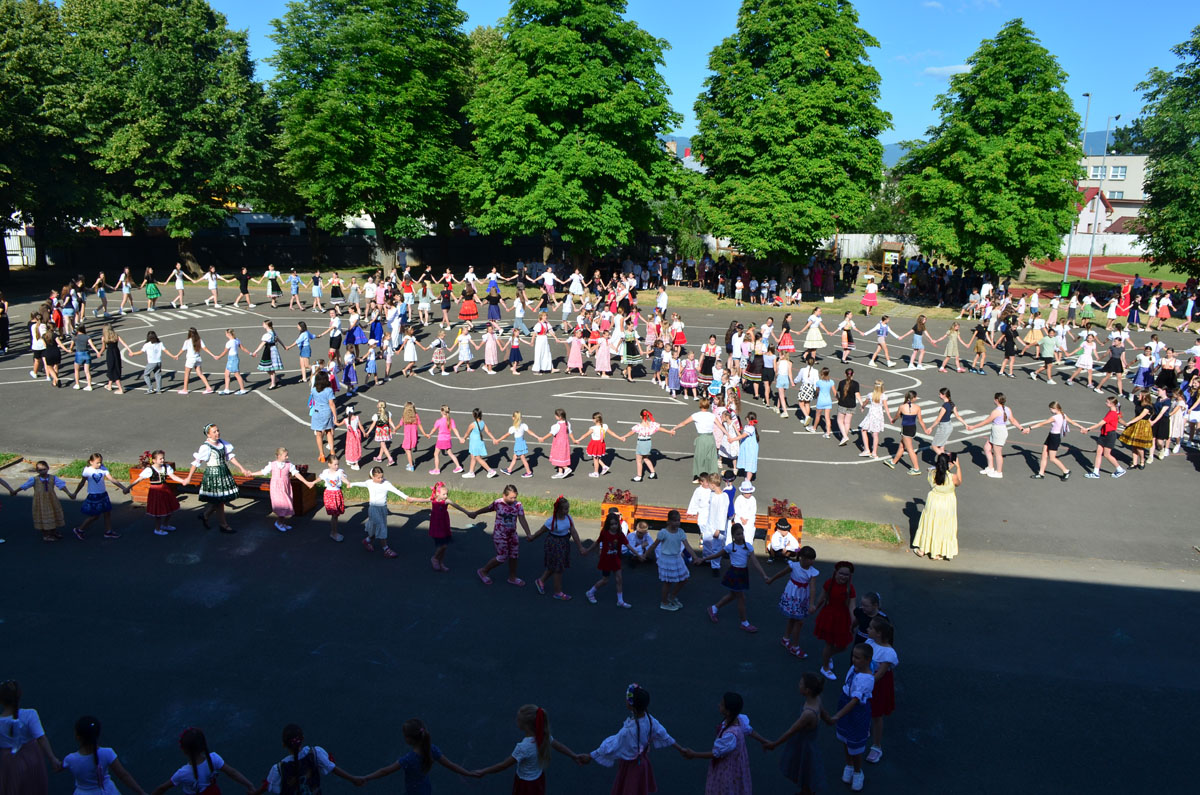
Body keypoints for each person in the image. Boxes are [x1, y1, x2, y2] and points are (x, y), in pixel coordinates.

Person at [583, 685, 686, 794]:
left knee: (629, 789)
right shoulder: (649, 720)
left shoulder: (628, 731)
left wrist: (590, 756)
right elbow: (663, 734)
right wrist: (681, 749)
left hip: (631, 767)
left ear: (631, 705)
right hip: (642, 763)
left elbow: (611, 746)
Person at [471, 704, 585, 791]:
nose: (515, 721)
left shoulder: (523, 747)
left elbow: (503, 765)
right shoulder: (544, 736)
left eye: (517, 719)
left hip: (525, 784)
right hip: (538, 779)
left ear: (524, 725)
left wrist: (483, 771)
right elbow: (559, 746)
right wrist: (573, 755)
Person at [358, 718, 479, 791]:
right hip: (425, 789)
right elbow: (451, 765)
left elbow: (385, 771)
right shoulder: (432, 749)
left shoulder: (408, 759)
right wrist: (468, 773)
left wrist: (366, 777)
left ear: (408, 739)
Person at [681, 692, 766, 793]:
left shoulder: (730, 735)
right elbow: (750, 731)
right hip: (736, 765)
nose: (719, 705)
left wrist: (694, 754)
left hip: (728, 769)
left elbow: (716, 753)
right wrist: (765, 741)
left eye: (722, 704)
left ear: (728, 712)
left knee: (725, 788)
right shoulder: (738, 719)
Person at [760, 673, 828, 795]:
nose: (798, 685)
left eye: (801, 684)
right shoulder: (817, 699)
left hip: (804, 745)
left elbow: (791, 731)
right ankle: (805, 791)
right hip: (809, 743)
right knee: (806, 770)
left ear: (807, 690)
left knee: (803, 769)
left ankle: (806, 792)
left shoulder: (807, 714)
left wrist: (774, 744)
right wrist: (833, 720)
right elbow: (826, 716)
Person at [181, 423, 252, 534]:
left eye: (218, 430)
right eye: (214, 432)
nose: (217, 433)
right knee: (219, 501)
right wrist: (189, 477)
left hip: (223, 472)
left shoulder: (222, 443)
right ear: (208, 434)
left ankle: (205, 515)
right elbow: (196, 462)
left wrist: (241, 468)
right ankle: (223, 525)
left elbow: (230, 457)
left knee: (220, 500)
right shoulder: (205, 447)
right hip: (213, 475)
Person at [252, 723, 360, 794]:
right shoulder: (315, 753)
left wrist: (254, 793)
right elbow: (332, 768)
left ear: (284, 745)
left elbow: (266, 786)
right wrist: (353, 779)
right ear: (302, 739)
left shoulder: (278, 769)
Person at [700, 523, 769, 633]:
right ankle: (744, 623)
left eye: (741, 533)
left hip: (742, 573)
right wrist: (703, 559)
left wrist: (764, 575)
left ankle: (713, 608)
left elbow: (755, 562)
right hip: (734, 573)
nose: (740, 536)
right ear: (733, 536)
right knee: (741, 598)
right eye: (737, 534)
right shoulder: (730, 547)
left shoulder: (748, 547)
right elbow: (717, 555)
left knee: (733, 595)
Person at [147, 727, 254, 795]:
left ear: (184, 750)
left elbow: (162, 788)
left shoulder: (183, 773)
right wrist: (249, 785)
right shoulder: (214, 758)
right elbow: (232, 773)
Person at [0, 680, 61, 795]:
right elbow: (41, 738)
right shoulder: (30, 714)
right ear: (19, 695)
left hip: (8, 762)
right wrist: (52, 758)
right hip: (32, 757)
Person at [828, 645, 875, 792]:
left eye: (857, 658)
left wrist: (838, 715)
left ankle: (857, 771)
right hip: (845, 703)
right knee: (845, 738)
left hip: (856, 711)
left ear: (867, 660)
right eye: (853, 656)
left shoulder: (867, 679)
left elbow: (855, 701)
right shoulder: (855, 669)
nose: (854, 660)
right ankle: (849, 765)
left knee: (855, 744)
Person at [62, 715, 147, 795]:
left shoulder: (70, 759)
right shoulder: (107, 753)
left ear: (77, 736)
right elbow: (123, 775)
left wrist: (54, 758)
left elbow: (58, 767)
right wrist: (142, 793)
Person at [470, 484, 534, 586]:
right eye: (511, 498)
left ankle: (512, 577)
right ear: (504, 495)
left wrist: (528, 533)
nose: (513, 500)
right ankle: (483, 571)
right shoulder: (498, 503)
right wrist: (476, 513)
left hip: (512, 535)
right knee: (502, 557)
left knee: (514, 555)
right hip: (500, 535)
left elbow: (522, 519)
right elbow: (488, 508)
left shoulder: (518, 505)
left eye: (515, 497)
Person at [350, 466, 417, 558]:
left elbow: (396, 491)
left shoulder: (386, 483)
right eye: (378, 478)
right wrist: (351, 484)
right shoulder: (369, 483)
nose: (381, 479)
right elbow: (360, 483)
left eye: (382, 477)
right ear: (373, 477)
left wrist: (406, 497)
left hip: (382, 509)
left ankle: (367, 541)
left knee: (376, 527)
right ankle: (386, 549)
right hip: (373, 509)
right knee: (381, 527)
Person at [765, 545, 819, 658]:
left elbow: (813, 588)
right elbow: (781, 573)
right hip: (792, 595)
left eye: (813, 559)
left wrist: (811, 603)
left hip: (802, 597)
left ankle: (786, 639)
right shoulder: (794, 566)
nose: (812, 561)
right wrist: (771, 579)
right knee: (799, 621)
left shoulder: (812, 572)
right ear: (802, 558)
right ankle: (795, 647)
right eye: (810, 559)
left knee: (794, 619)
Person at [529, 496, 586, 600]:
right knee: (558, 569)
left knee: (554, 566)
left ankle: (541, 581)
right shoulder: (551, 521)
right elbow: (541, 531)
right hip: (554, 544)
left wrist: (580, 547)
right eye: (565, 509)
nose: (567, 511)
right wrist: (532, 537)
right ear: (559, 510)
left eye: (568, 508)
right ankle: (557, 592)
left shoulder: (569, 518)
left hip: (564, 543)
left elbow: (573, 532)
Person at [965, 393, 1029, 478]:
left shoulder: (996, 412)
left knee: (998, 453)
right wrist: (1021, 429)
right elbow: (1013, 421)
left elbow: (986, 421)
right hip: (996, 431)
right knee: (987, 448)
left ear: (996, 400)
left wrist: (973, 427)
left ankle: (999, 472)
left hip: (998, 432)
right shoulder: (1007, 409)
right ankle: (990, 468)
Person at [912, 453, 962, 560]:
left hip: (933, 501)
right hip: (947, 503)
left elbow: (941, 472)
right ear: (948, 463)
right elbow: (959, 482)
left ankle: (922, 549)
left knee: (929, 524)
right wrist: (958, 467)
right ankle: (937, 553)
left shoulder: (931, 473)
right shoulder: (952, 477)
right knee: (943, 526)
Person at [581, 510, 636, 607]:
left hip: (616, 560)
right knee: (605, 580)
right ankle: (590, 592)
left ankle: (620, 601)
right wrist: (588, 550)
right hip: (606, 560)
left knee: (619, 579)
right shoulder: (604, 533)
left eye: (615, 524)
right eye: (612, 524)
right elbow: (597, 542)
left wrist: (638, 554)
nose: (614, 526)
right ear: (608, 525)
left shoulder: (620, 534)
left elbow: (628, 545)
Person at [129, 450, 190, 536]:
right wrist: (129, 487)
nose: (162, 460)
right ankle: (157, 529)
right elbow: (139, 479)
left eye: (163, 458)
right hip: (156, 491)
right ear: (154, 460)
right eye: (160, 459)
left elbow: (173, 476)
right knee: (158, 511)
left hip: (165, 490)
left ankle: (165, 524)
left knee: (170, 507)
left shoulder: (166, 467)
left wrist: (182, 481)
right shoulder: (150, 470)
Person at [814, 561, 857, 680]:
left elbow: (852, 606)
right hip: (829, 616)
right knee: (829, 643)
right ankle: (825, 667)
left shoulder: (850, 589)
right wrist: (814, 608)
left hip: (843, 618)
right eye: (841, 573)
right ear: (835, 573)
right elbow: (822, 598)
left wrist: (853, 622)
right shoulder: (829, 583)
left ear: (850, 576)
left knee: (843, 646)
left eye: (846, 575)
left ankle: (827, 656)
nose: (843, 576)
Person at [257, 447, 317, 533]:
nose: (287, 457)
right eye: (285, 456)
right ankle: (278, 523)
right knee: (282, 505)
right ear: (279, 456)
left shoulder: (288, 465)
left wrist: (306, 482)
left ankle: (282, 522)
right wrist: (251, 473)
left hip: (285, 487)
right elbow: (263, 472)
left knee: (286, 504)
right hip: (276, 488)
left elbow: (296, 474)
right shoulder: (272, 465)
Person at [71, 452, 129, 540]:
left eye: (100, 462)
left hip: (103, 494)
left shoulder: (103, 469)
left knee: (107, 512)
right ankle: (79, 529)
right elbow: (82, 483)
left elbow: (112, 479)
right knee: (95, 516)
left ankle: (108, 531)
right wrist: (75, 493)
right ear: (91, 462)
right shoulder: (87, 470)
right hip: (94, 496)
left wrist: (123, 487)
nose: (99, 464)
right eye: (97, 463)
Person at [865, 617, 899, 764]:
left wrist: (864, 682)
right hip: (867, 680)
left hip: (878, 685)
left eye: (870, 628)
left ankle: (877, 746)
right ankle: (865, 727)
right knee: (865, 706)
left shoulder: (888, 652)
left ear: (878, 633)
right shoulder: (869, 642)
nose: (867, 629)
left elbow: (880, 674)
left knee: (877, 715)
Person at [1027, 402, 1080, 480]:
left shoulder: (1055, 417)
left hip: (1054, 438)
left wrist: (1030, 428)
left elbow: (1042, 423)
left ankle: (1066, 471)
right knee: (1044, 454)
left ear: (1055, 409)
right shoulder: (1063, 415)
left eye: (1051, 409)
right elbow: (1073, 422)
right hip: (1051, 436)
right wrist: (1082, 427)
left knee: (1052, 458)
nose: (1050, 410)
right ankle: (1041, 474)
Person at [308, 371, 338, 463]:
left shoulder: (314, 390)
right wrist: (335, 416)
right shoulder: (329, 390)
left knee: (319, 434)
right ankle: (332, 451)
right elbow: (331, 404)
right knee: (329, 431)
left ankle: (321, 454)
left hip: (317, 412)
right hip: (326, 412)